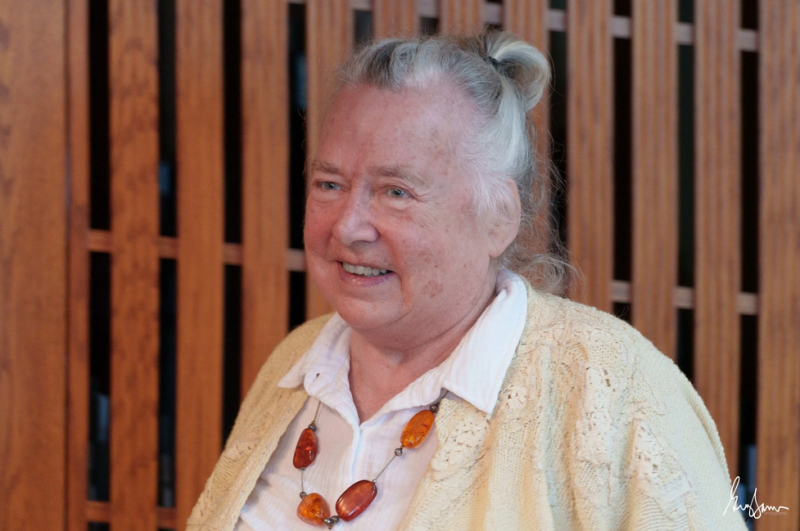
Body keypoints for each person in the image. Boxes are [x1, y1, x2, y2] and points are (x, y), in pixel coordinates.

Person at [188, 32, 747, 530]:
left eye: (396, 192)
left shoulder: (617, 391)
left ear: (498, 217)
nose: (348, 227)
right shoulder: (297, 363)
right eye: (329, 184)